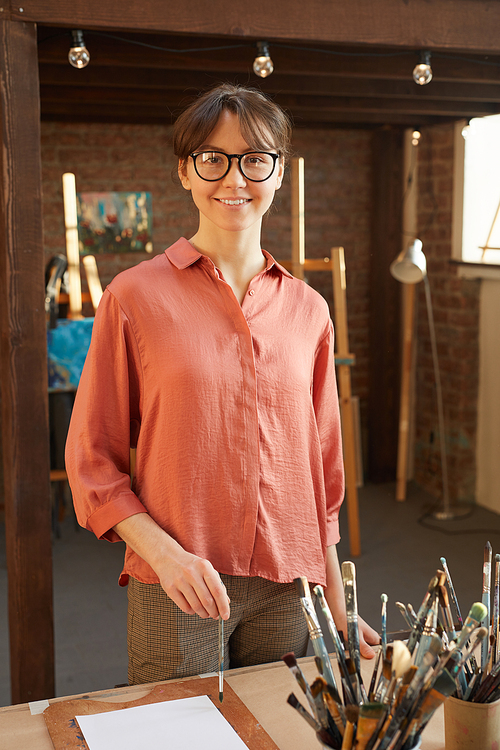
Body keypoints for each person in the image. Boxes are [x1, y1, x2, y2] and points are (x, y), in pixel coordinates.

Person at [65, 83, 379, 686]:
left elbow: (323, 478)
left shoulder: (310, 310)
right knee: (180, 734)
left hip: (291, 583)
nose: (234, 176)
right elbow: (91, 462)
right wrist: (163, 554)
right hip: (180, 579)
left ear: (279, 173)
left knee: (282, 732)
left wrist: (338, 607)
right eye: (212, 158)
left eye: (254, 158)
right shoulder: (132, 297)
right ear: (185, 171)